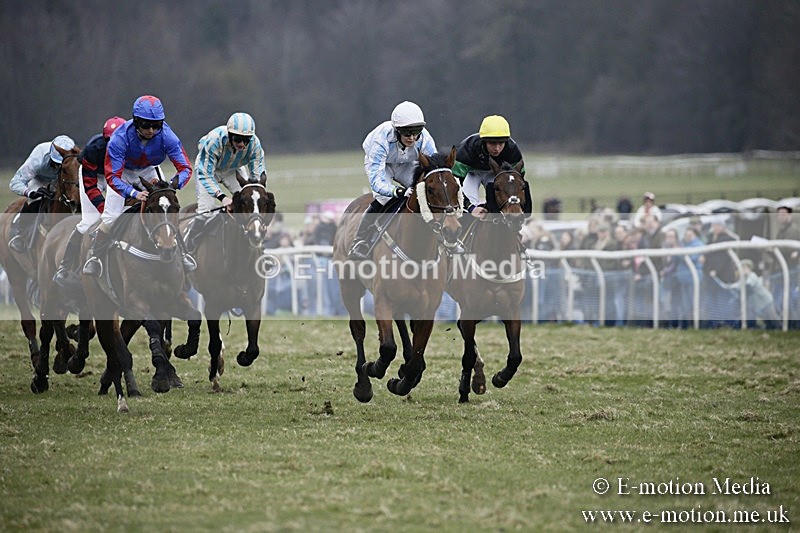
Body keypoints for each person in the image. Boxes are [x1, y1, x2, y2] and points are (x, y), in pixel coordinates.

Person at [82, 95, 193, 277]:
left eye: (156, 125)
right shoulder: (119, 138)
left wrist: (173, 184)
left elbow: (185, 168)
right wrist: (133, 192)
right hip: (123, 171)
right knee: (110, 217)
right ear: (136, 122)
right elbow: (112, 177)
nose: (151, 130)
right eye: (146, 125)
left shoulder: (168, 136)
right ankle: (96, 257)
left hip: (149, 169)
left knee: (167, 208)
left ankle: (183, 254)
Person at [348, 101, 437, 259]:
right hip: (383, 165)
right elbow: (377, 182)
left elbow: (434, 168)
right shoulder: (380, 140)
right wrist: (397, 191)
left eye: (416, 132)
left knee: (422, 191)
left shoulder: (424, 138)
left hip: (406, 164)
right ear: (397, 131)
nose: (412, 138)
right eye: (407, 133)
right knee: (384, 197)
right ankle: (361, 240)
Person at [52, 117, 126, 286]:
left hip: (117, 174)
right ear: (105, 140)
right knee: (90, 221)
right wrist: (103, 208)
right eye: (111, 142)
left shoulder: (133, 148)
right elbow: (91, 187)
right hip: (94, 175)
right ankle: (65, 266)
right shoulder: (94, 150)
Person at [182, 112, 267, 252]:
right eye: (238, 139)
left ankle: (257, 246)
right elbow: (206, 174)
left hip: (232, 169)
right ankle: (188, 249)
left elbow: (257, 177)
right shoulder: (214, 141)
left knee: (249, 202)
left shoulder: (255, 145)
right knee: (205, 211)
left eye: (246, 139)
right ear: (230, 135)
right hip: (209, 171)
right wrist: (222, 197)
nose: (242, 144)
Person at [8, 135, 77, 253]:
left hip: (61, 180)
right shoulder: (38, 158)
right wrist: (30, 192)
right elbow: (15, 183)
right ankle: (20, 236)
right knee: (34, 199)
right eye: (55, 164)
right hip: (39, 179)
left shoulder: (74, 160)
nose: (57, 167)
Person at [451, 115, 527, 219]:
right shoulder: (466, 149)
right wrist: (471, 208)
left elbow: (519, 183)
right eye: (492, 143)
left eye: (501, 143)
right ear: (484, 141)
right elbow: (454, 185)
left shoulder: (513, 150)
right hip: (472, 174)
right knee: (468, 208)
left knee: (498, 206)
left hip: (495, 174)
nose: (497, 148)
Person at [710, 259, 781, 329]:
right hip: (759, 306)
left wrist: (733, 286)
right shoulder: (742, 280)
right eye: (742, 267)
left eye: (746, 267)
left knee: (774, 321)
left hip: (766, 303)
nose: (744, 269)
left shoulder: (752, 276)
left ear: (749, 268)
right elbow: (730, 287)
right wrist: (716, 279)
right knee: (768, 323)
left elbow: (748, 284)